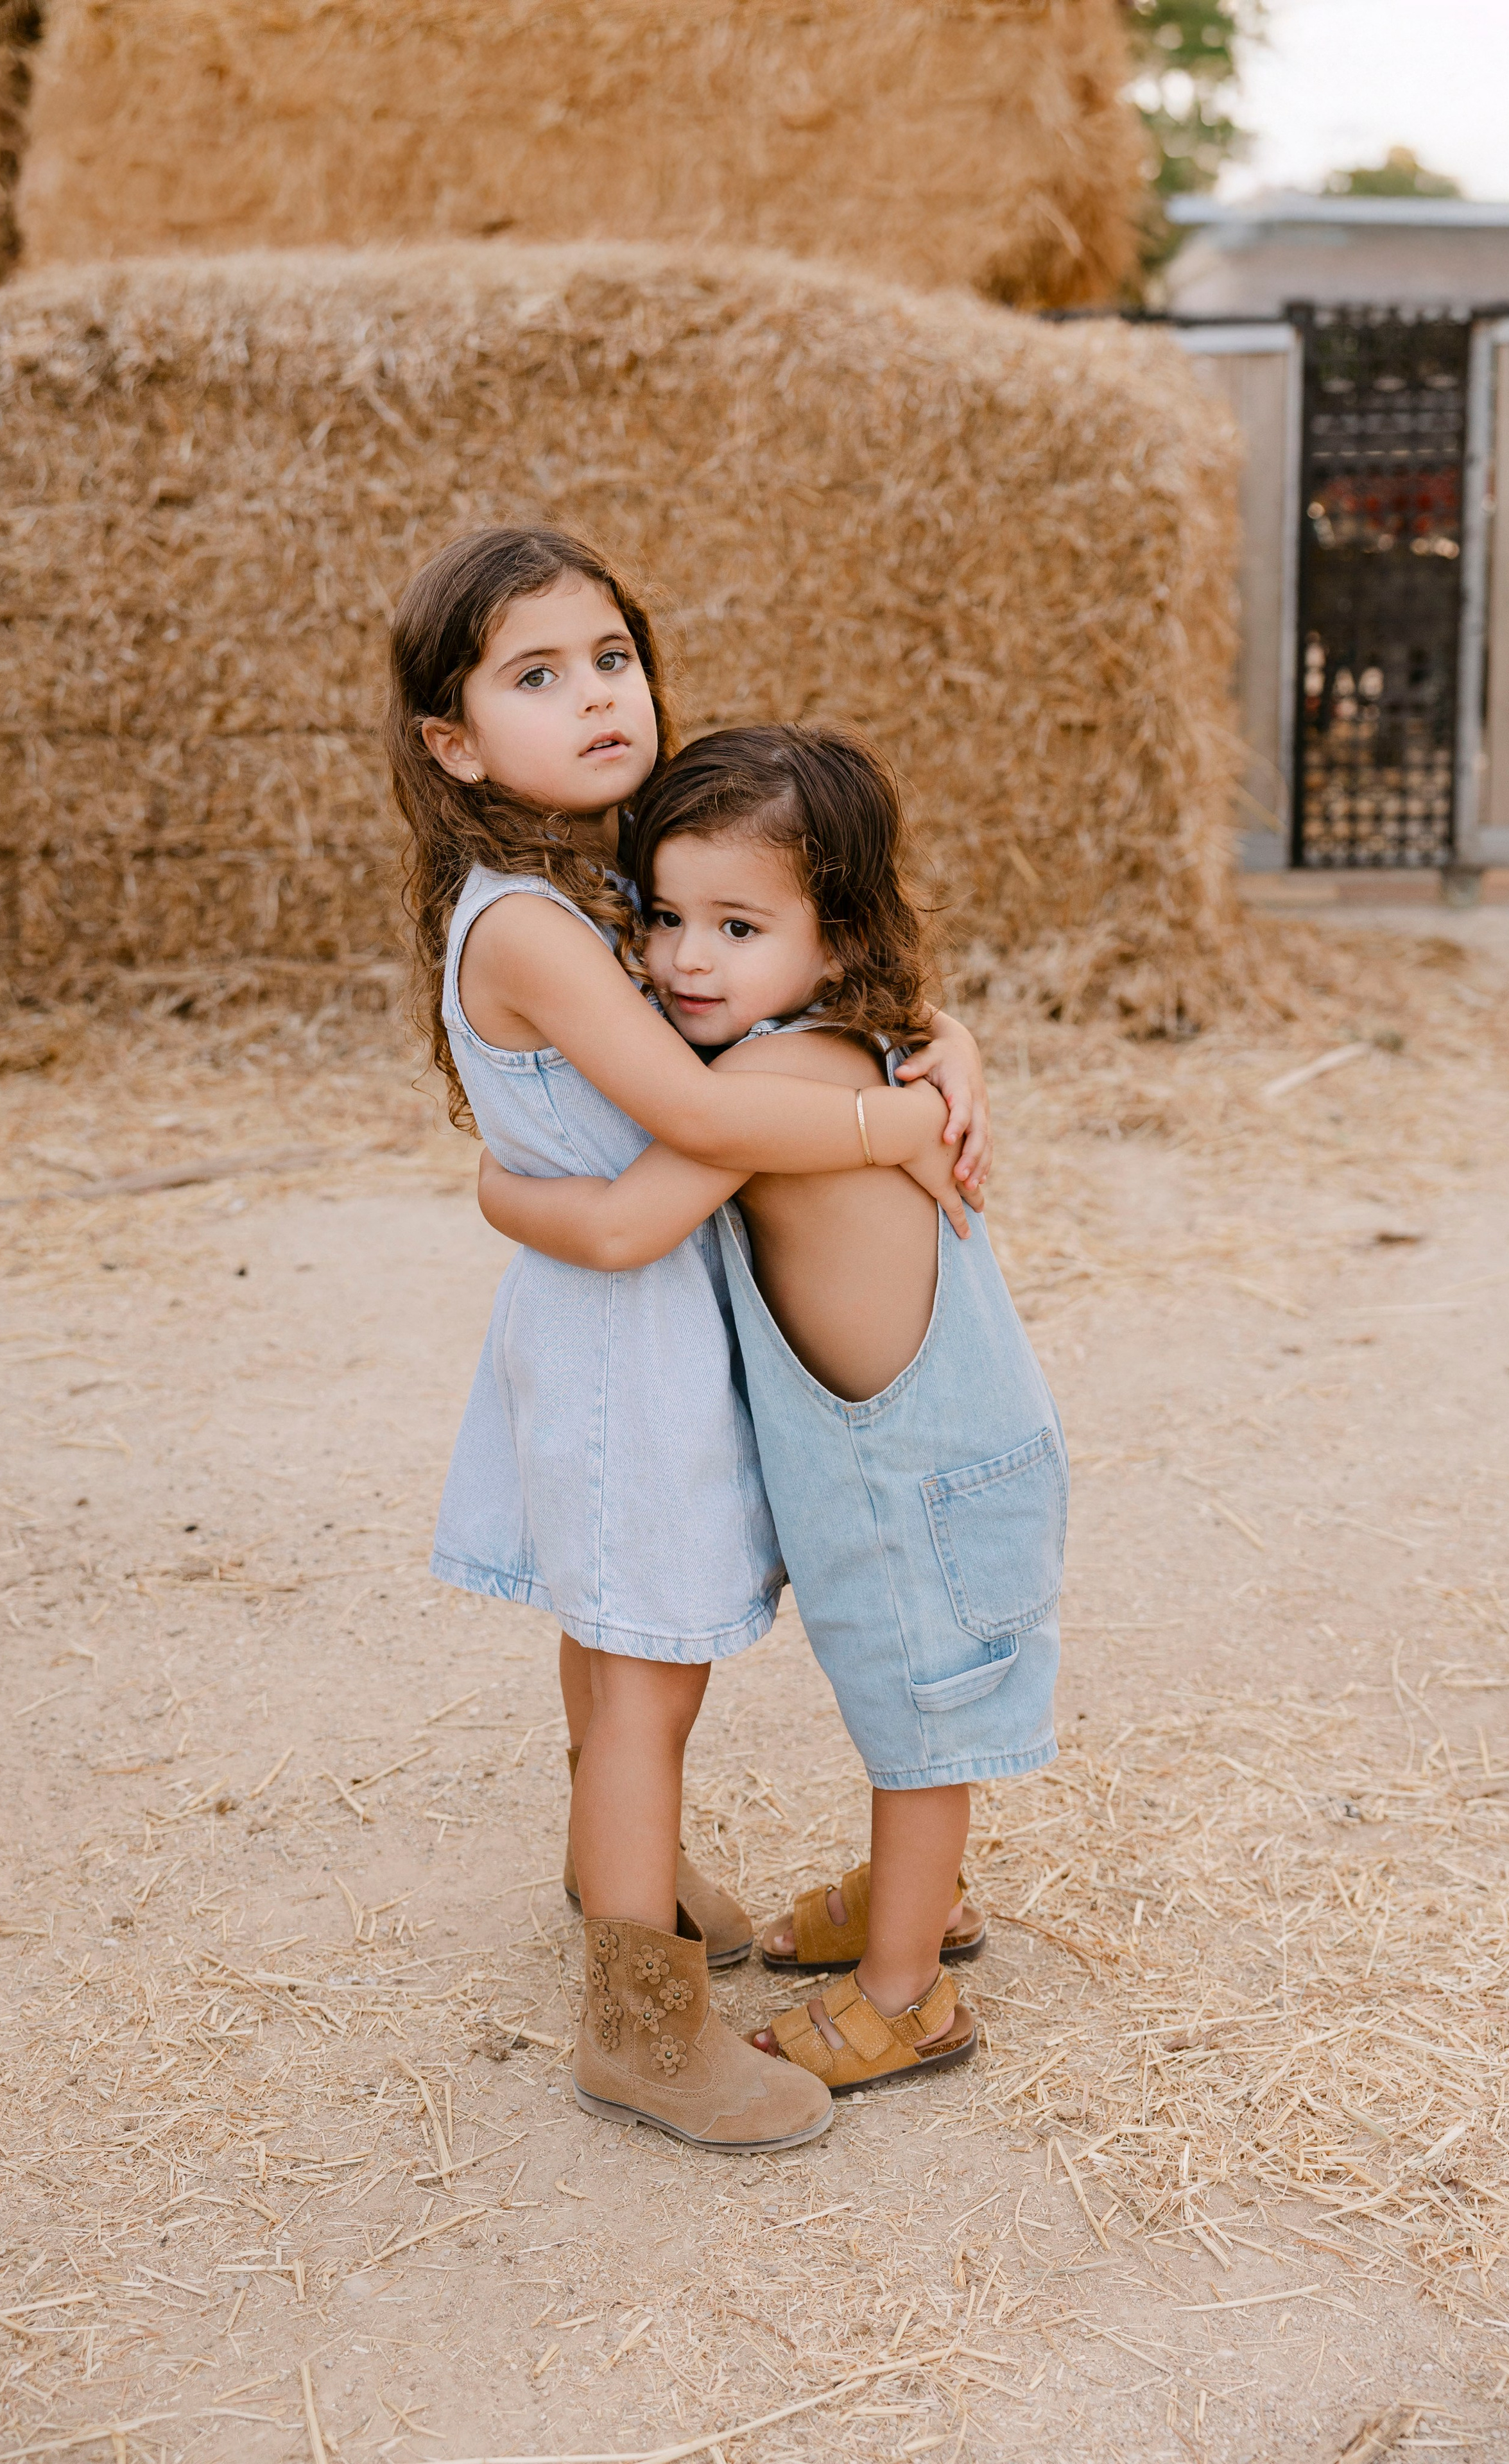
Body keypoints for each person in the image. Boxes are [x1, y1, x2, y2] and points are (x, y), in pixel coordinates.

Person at [386, 532, 995, 2150]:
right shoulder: (526, 924)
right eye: (535, 676)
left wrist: (949, 1043)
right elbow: (693, 1111)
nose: (595, 696)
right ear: (452, 745)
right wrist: (878, 1117)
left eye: (611, 658)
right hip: (617, 1339)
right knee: (647, 1676)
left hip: (618, 1314)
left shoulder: (605, 879)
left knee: (613, 1648)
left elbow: (798, 952)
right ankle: (640, 2028)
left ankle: (624, 1878)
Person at [478, 724, 1065, 2100]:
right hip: (918, 1455)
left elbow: (625, 1227)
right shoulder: (840, 1039)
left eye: (736, 925)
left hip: (920, 1469)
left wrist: (497, 1195)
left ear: (836, 937)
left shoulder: (760, 1081)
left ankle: (904, 1996)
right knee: (899, 1702)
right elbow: (923, 1027)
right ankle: (917, 1899)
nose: (685, 959)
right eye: (662, 916)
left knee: (917, 1723)